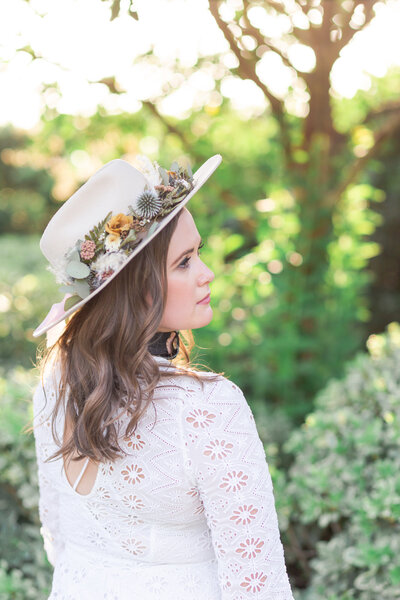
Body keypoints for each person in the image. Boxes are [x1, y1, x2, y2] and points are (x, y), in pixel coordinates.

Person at [32, 153, 295, 599]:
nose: (207, 274)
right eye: (184, 262)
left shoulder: (53, 384)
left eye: (198, 254)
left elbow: (60, 535)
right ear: (137, 288)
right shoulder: (208, 408)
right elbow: (257, 585)